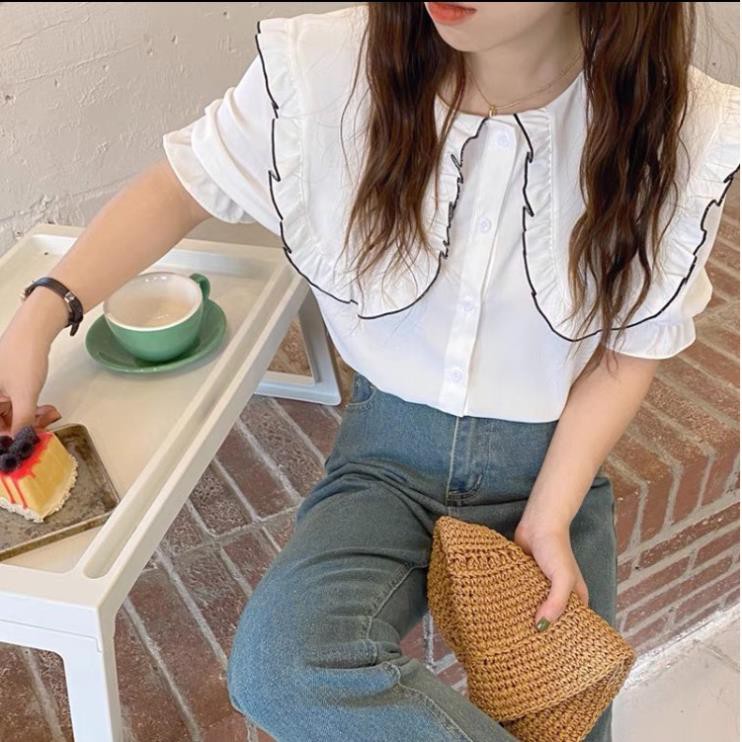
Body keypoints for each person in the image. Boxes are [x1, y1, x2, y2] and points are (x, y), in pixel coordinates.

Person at [0, 2, 738, 740]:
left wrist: (550, 514)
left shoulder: (675, 126)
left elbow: (627, 349)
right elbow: (178, 187)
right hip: (385, 464)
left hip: (550, 468)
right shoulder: (327, 72)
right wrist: (37, 319)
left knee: (566, 715)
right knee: (282, 667)